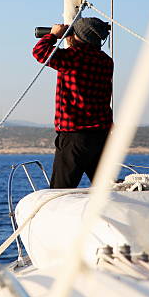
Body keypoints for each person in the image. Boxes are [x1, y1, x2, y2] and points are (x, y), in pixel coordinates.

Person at [32, 17, 113, 188]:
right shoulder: (106, 61)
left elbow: (39, 52)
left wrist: (54, 35)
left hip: (74, 135)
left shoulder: (73, 57)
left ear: (78, 36)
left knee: (60, 191)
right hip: (100, 135)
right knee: (105, 188)